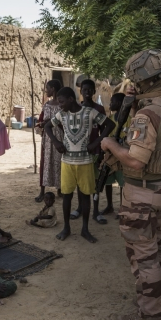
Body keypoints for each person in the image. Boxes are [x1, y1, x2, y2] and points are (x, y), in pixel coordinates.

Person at [101, 49, 161, 320]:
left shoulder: (147, 115)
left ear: (144, 79)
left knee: (144, 255)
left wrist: (111, 145)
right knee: (156, 249)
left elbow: (137, 161)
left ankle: (151, 317)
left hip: (142, 192)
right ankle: (158, 305)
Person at [44, 87, 114, 243]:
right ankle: (67, 228)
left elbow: (110, 125)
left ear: (70, 99)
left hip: (85, 162)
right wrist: (56, 142)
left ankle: (85, 229)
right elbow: (47, 126)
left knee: (85, 196)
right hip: (67, 162)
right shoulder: (61, 115)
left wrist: (97, 141)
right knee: (67, 196)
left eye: (61, 102)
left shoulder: (89, 112)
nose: (59, 105)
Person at [70, 79, 107, 222]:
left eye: (89, 90)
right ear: (80, 91)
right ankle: (80, 208)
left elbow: (104, 130)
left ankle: (96, 211)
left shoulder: (99, 109)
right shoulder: (77, 108)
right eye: (84, 90)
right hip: (80, 152)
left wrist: (102, 149)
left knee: (96, 182)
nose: (86, 92)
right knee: (81, 182)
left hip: (96, 151)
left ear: (94, 91)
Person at [94, 93, 130, 222]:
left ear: (120, 104)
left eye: (113, 102)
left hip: (121, 154)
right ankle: (110, 205)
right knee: (107, 181)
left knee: (122, 183)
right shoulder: (111, 118)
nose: (110, 104)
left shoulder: (129, 119)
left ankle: (122, 208)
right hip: (110, 154)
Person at [34, 80, 64, 202]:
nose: (46, 91)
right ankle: (42, 191)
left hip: (59, 138)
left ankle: (60, 189)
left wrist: (52, 122)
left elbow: (64, 121)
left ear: (53, 89)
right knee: (45, 163)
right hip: (47, 139)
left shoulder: (62, 105)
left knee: (60, 163)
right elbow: (40, 121)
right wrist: (41, 124)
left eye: (48, 88)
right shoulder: (46, 105)